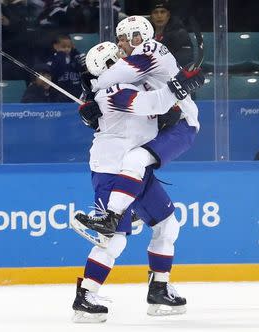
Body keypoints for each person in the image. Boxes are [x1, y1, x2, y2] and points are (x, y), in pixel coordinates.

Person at [72, 41, 202, 323]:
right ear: (108, 66)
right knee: (114, 240)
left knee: (168, 225)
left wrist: (179, 86)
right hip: (112, 170)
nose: (125, 59)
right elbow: (153, 104)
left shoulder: (131, 85)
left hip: (136, 170)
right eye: (117, 57)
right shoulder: (113, 91)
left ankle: (159, 289)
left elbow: (161, 100)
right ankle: (85, 297)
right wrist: (181, 85)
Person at [75, 15, 202, 256]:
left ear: (139, 37)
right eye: (119, 39)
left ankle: (113, 215)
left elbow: (117, 76)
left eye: (124, 39)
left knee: (134, 160)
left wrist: (91, 87)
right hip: (167, 123)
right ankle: (158, 287)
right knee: (164, 223)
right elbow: (122, 97)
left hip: (181, 124)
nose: (121, 44)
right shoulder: (133, 73)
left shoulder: (148, 50)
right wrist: (91, 103)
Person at [149, 0, 193, 67]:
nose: (159, 16)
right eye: (155, 12)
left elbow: (184, 60)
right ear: (151, 17)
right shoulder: (146, 35)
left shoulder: (180, 34)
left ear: (168, 15)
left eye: (162, 12)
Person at [46, 35, 85, 102]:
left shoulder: (75, 58)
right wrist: (61, 56)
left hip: (76, 93)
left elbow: (81, 70)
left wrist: (75, 52)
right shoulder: (52, 59)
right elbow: (53, 74)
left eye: (69, 47)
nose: (67, 49)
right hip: (60, 94)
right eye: (63, 47)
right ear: (56, 46)